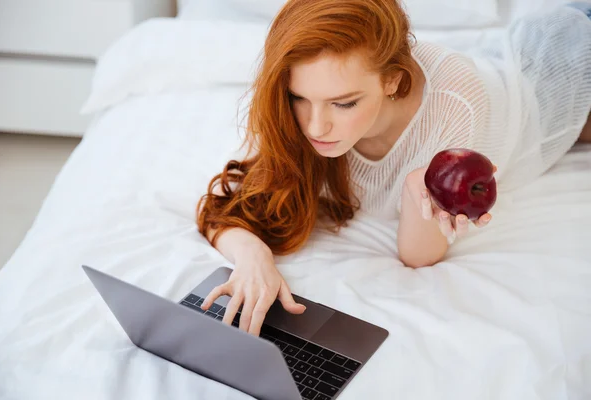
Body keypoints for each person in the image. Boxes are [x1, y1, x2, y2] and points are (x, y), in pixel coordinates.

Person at [196, 0, 591, 336]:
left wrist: (415, 185)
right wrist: (253, 261)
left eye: (344, 103)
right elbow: (225, 206)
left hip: (560, 80)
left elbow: (418, 257)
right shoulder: (308, 113)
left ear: (393, 82)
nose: (316, 127)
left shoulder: (456, 107)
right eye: (299, 97)